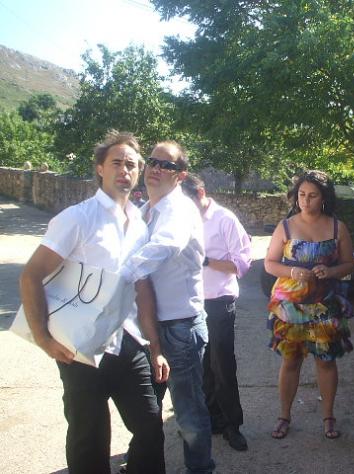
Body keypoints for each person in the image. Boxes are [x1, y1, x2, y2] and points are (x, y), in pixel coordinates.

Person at [19, 130, 169, 474]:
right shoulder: (77, 218)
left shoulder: (139, 225)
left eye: (131, 164)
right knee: (89, 437)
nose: (124, 170)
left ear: (139, 171)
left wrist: (155, 347)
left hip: (129, 341)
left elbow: (142, 286)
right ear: (100, 168)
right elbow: (31, 276)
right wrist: (43, 338)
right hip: (81, 347)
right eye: (116, 162)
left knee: (150, 428)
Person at [121, 141, 215, 474]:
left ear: (181, 175)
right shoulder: (144, 210)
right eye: (152, 161)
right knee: (145, 409)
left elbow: (165, 245)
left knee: (188, 413)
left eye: (167, 165)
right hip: (146, 326)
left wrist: (117, 273)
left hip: (179, 328)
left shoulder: (180, 210)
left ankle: (200, 469)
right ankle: (141, 465)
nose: (156, 169)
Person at [264, 170, 354, 439]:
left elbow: (349, 263)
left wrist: (332, 271)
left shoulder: (337, 228)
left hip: (324, 304)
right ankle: (284, 416)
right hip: (290, 307)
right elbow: (269, 263)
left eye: (312, 195)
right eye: (302, 194)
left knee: (326, 361)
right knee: (290, 361)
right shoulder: (285, 226)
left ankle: (328, 417)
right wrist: (292, 272)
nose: (305, 200)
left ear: (324, 198)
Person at [182, 173, 252, 452]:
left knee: (221, 364)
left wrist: (206, 261)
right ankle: (212, 419)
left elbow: (242, 262)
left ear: (201, 194)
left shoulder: (225, 219)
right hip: (190, 302)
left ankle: (233, 425)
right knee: (200, 366)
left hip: (219, 300)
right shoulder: (181, 219)